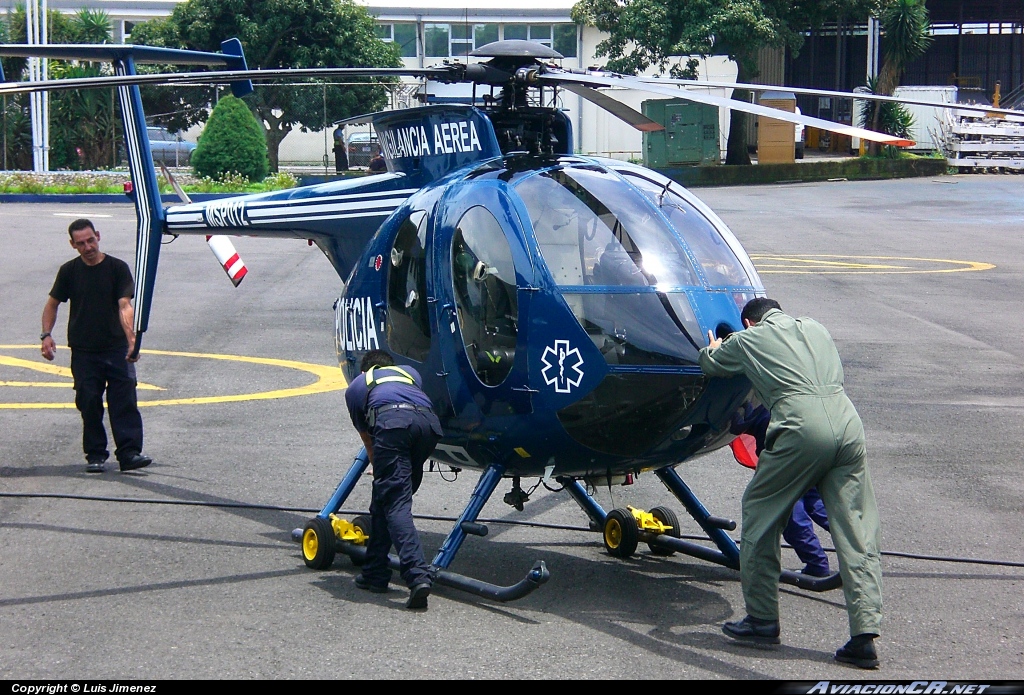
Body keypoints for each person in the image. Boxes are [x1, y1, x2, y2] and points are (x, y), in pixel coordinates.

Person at [699, 297, 882, 669]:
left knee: (761, 514)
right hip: (848, 424)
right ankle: (864, 636)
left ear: (749, 323)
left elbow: (710, 363)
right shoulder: (816, 326)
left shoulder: (748, 340)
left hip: (801, 427)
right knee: (856, 529)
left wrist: (715, 345)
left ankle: (762, 619)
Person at [41, 218, 152, 474]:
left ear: (98, 236)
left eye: (91, 240)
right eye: (81, 243)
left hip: (115, 349)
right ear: (73, 245)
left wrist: (132, 341)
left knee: (124, 401)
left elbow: (124, 305)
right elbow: (52, 304)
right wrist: (46, 334)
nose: (88, 246)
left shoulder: (117, 268)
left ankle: (129, 453)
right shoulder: (69, 271)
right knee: (89, 401)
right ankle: (95, 454)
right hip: (84, 351)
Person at [344, 349, 442, 610]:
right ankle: (375, 573)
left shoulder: (357, 386)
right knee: (386, 499)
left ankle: (417, 576)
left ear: (364, 371)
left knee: (395, 504)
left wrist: (378, 469)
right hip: (428, 428)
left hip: (393, 425)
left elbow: (368, 440)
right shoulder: (409, 373)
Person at [730, 403, 832, 578]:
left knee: (790, 515)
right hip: (815, 445)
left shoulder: (757, 402)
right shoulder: (779, 393)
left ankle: (817, 564)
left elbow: (732, 427)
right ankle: (862, 550)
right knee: (817, 504)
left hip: (787, 458)